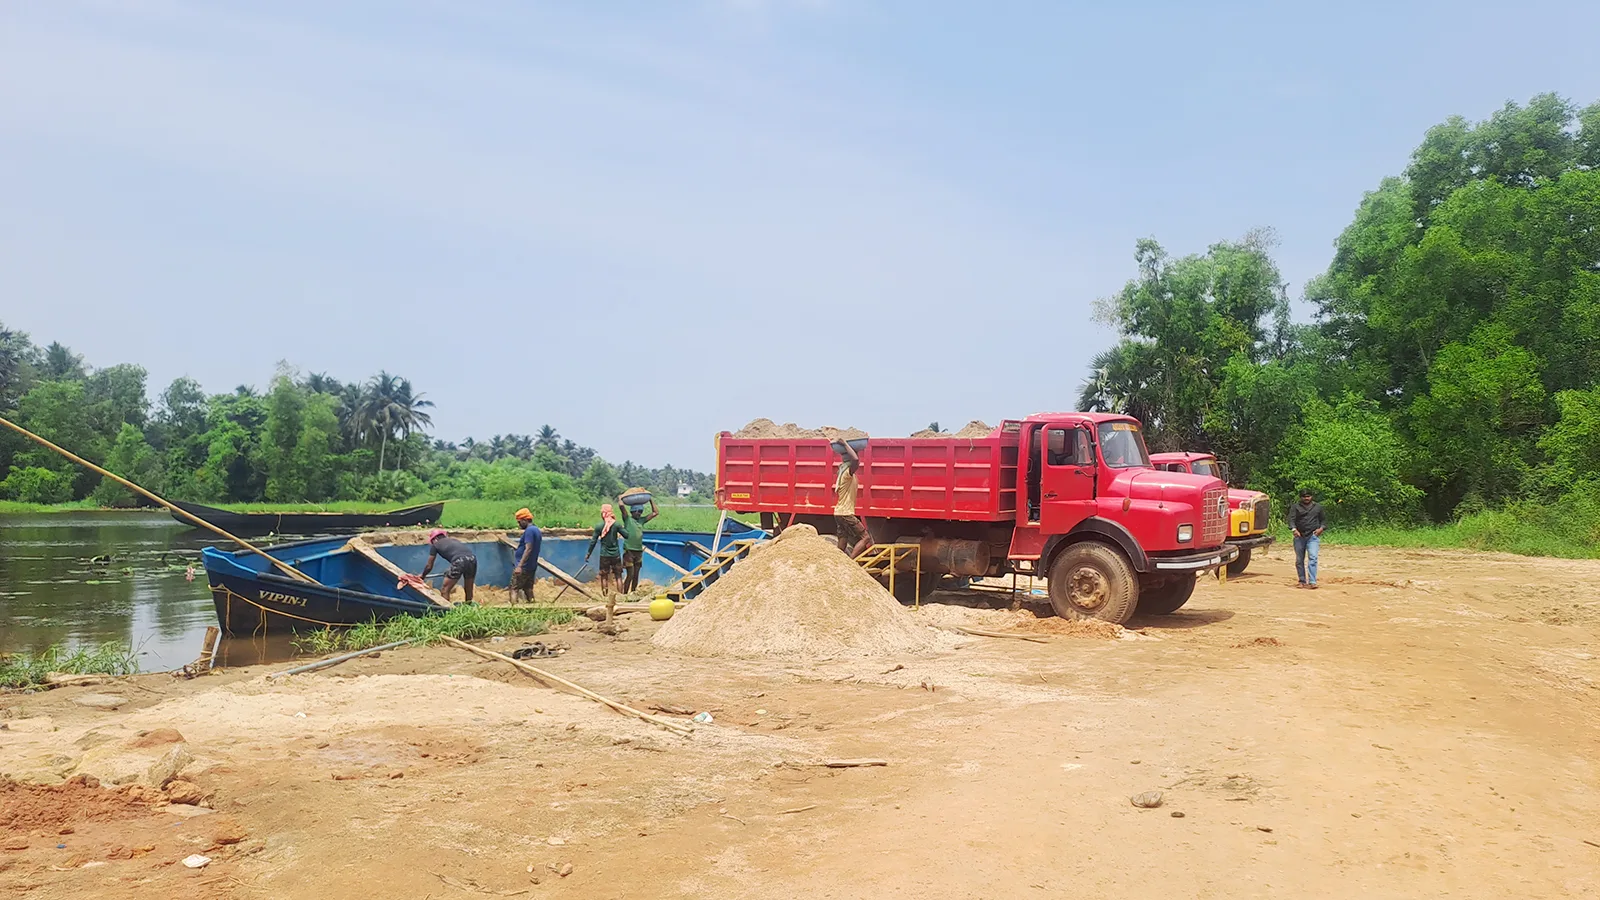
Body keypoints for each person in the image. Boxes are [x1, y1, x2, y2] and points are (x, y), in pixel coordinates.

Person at [834, 439, 872, 557]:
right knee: (865, 538)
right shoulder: (847, 473)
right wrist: (845, 444)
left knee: (842, 540)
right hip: (846, 513)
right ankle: (851, 563)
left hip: (839, 513)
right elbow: (855, 460)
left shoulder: (843, 472)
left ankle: (838, 562)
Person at [419, 529, 476, 604]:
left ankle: (446, 610)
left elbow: (429, 566)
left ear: (435, 539)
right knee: (468, 588)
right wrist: (450, 570)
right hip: (472, 559)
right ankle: (469, 606)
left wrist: (423, 575)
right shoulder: (454, 540)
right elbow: (460, 555)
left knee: (445, 589)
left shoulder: (435, 545)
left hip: (459, 561)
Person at [618, 495, 659, 595]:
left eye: (640, 512)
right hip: (629, 551)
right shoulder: (627, 520)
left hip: (638, 552)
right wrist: (620, 499)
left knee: (636, 575)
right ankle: (625, 594)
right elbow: (622, 507)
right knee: (630, 575)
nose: (639, 514)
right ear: (632, 512)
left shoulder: (641, 521)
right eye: (637, 512)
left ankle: (633, 594)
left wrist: (650, 499)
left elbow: (655, 513)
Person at [585, 503, 626, 596]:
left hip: (604, 555)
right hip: (615, 555)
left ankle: (605, 597)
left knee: (604, 577)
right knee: (618, 576)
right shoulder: (616, 525)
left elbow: (593, 541)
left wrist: (588, 553)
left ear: (603, 513)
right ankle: (621, 596)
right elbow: (626, 535)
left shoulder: (599, 526)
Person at [1290, 488, 1325, 589]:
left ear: (1312, 497)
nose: (1306, 498)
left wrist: (1321, 529)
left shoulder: (1318, 507)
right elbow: (1291, 520)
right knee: (1299, 560)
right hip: (1299, 536)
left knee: (1313, 558)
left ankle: (1312, 581)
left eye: (1308, 496)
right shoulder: (1295, 507)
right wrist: (1294, 530)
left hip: (1313, 536)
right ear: (1300, 497)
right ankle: (1302, 581)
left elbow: (1323, 521)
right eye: (1304, 497)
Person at [510, 508, 542, 603]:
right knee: (528, 588)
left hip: (524, 566)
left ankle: (513, 609)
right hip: (531, 565)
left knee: (514, 588)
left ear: (525, 520)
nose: (518, 525)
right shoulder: (536, 530)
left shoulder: (529, 531)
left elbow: (528, 548)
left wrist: (519, 565)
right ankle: (532, 606)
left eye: (519, 522)